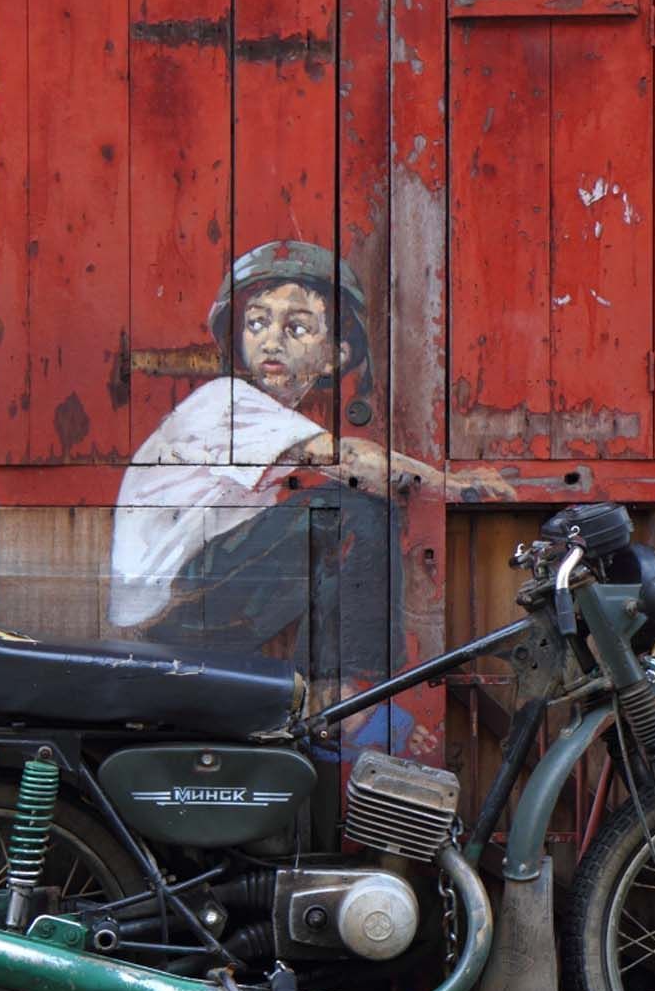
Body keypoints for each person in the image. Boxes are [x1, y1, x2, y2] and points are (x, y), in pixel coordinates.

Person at [108, 240, 512, 693]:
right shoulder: (227, 401)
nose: (270, 341)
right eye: (256, 323)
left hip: (188, 602)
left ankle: (321, 697)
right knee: (350, 511)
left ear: (334, 356)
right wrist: (453, 484)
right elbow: (350, 460)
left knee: (330, 533)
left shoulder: (267, 420)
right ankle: (347, 700)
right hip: (169, 605)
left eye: (296, 328)